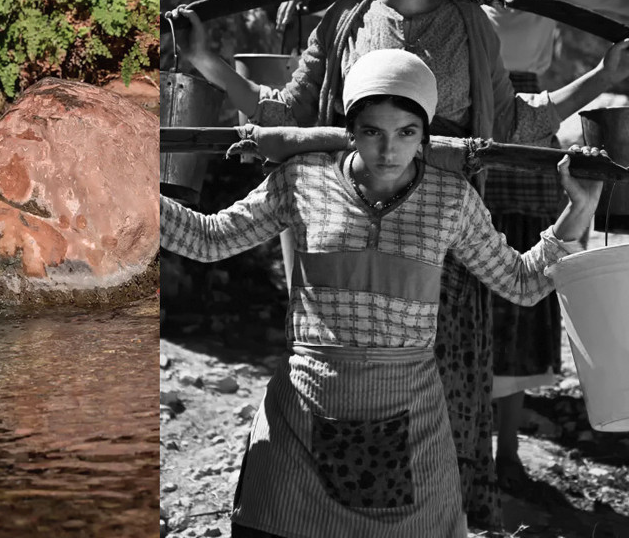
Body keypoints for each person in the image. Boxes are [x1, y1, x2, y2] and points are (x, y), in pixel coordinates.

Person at [179, 0, 629, 527]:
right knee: (336, 369)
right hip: (349, 209)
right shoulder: (347, 18)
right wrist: (207, 63)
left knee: (439, 389)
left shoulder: (470, 21)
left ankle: (450, 506)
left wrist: (602, 79)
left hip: (438, 219)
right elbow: (287, 112)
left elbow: (512, 119)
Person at [161, 49, 604, 537]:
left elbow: (521, 282)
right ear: (350, 129)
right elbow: (208, 239)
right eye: (373, 131)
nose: (389, 151)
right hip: (303, 413)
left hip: (410, 420)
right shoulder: (302, 179)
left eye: (407, 133)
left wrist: (578, 210)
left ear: (425, 135)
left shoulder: (450, 198)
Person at [442, 0, 629, 489]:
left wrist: (610, 67)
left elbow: (618, 2)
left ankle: (509, 455)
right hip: (468, 123)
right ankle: (455, 448)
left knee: (524, 286)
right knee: (462, 285)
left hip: (532, 126)